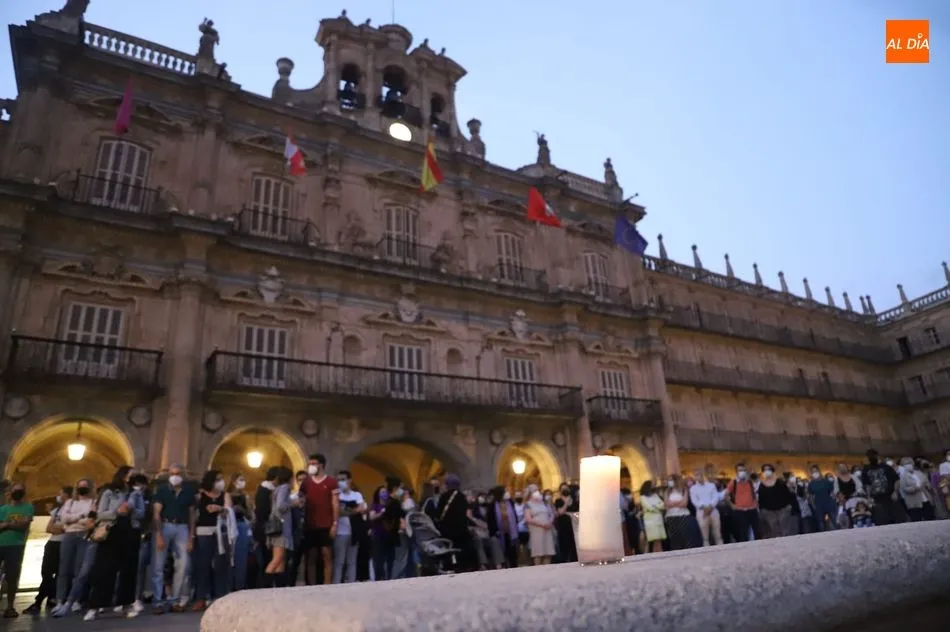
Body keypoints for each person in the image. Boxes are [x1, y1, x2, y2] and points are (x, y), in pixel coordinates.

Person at [85, 465, 145, 621]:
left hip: (131, 531)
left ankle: (125, 603)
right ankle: (96, 605)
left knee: (128, 570)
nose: (133, 477)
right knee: (104, 569)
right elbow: (101, 513)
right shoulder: (109, 492)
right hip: (112, 531)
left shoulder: (136, 493)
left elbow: (141, 513)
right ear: (123, 475)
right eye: (131, 474)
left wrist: (132, 510)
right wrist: (117, 512)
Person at [151, 465, 196, 615]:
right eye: (172, 474)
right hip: (165, 525)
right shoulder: (162, 490)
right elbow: (156, 513)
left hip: (182, 526)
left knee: (183, 564)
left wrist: (191, 537)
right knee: (158, 565)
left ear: (182, 475)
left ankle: (175, 600)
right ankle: (157, 601)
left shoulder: (188, 492)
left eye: (177, 474)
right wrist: (158, 535)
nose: (175, 476)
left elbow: (191, 515)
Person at [24, 485, 71, 615]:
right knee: (46, 572)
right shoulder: (57, 510)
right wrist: (59, 528)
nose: (59, 496)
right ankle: (49, 597)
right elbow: (49, 528)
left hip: (63, 544)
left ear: (67, 495)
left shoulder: (71, 510)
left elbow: (67, 527)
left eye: (61, 493)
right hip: (52, 543)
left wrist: (60, 528)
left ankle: (40, 601)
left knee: (58, 573)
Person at [299, 454, 339, 586]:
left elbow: (335, 503)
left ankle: (327, 584)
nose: (311, 466)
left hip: (326, 524)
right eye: (310, 463)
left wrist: (335, 523)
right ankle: (311, 585)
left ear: (321, 465)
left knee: (327, 555)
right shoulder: (306, 483)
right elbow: (300, 499)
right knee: (311, 555)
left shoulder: (331, 482)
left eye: (314, 463)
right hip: (310, 524)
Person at [0, 482, 34, 618]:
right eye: (15, 490)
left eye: (20, 490)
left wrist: (6, 524)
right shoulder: (3, 509)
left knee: (12, 576)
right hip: (1, 544)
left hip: (16, 545)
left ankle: (10, 606)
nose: (17, 492)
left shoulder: (28, 507)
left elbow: (24, 525)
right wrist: (13, 524)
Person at [332, 470, 365, 584]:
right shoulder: (336, 495)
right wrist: (354, 510)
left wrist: (347, 510)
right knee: (339, 561)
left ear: (349, 480)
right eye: (338, 480)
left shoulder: (357, 495)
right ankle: (336, 584)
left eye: (343, 479)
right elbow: (338, 512)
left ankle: (351, 584)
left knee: (352, 562)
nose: (340, 482)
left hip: (354, 531)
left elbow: (362, 509)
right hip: (340, 532)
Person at [861, 449, 901, 526]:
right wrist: (869, 497)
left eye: (873, 456)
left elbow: (896, 480)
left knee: (896, 520)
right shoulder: (866, 469)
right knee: (881, 521)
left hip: (890, 496)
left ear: (877, 456)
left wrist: (895, 492)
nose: (872, 457)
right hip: (877, 499)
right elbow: (867, 484)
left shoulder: (886, 467)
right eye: (870, 456)